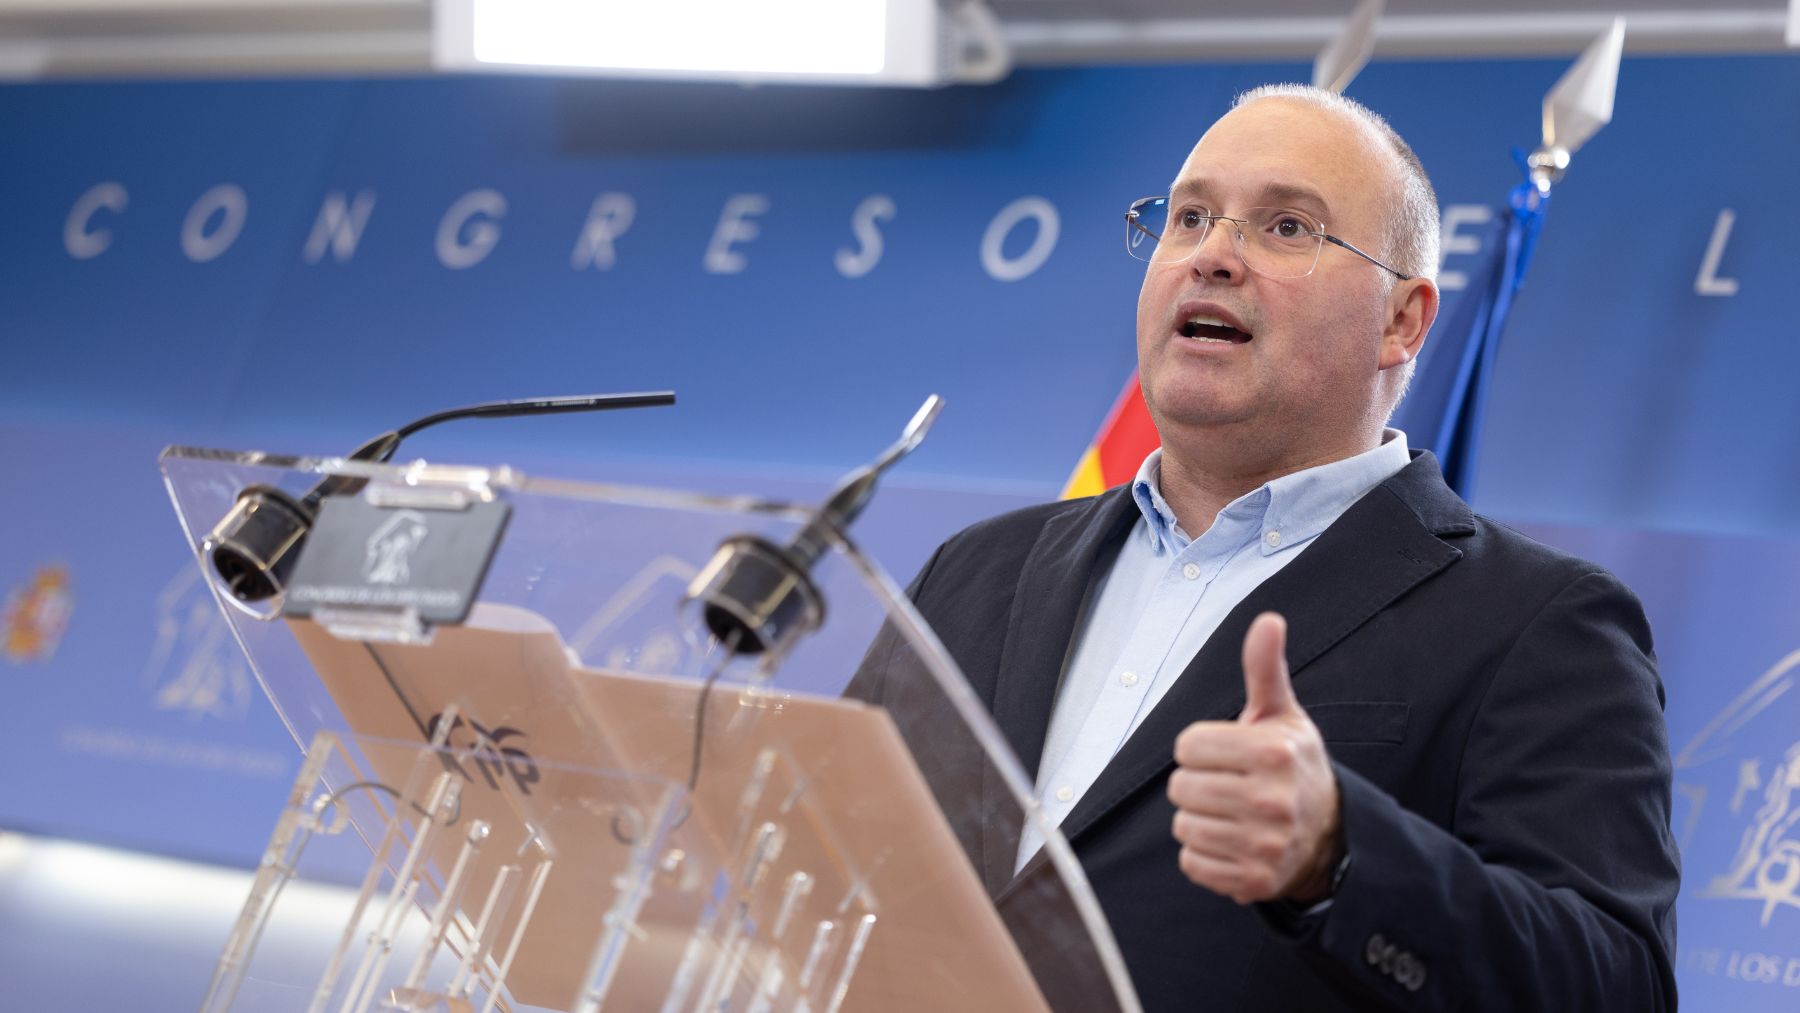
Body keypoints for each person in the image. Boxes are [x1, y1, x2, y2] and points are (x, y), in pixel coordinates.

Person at [847, 84, 1680, 1011]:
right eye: (1190, 215)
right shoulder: (977, 569)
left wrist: (1343, 854)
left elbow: (1618, 985)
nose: (1211, 255)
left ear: (1403, 322)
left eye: (1286, 227)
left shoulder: (1537, 621)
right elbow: (817, 844)